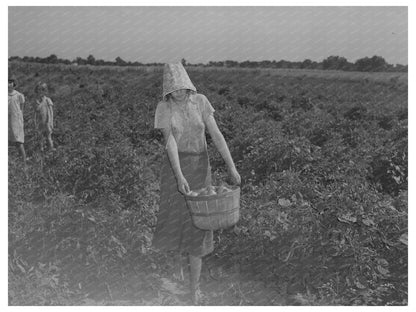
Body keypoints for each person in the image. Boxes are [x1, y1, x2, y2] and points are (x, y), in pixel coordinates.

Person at [152, 63, 241, 304]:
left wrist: (231, 166)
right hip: (175, 169)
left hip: (201, 168)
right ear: (168, 91)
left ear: (188, 86)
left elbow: (217, 135)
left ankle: (194, 287)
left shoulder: (201, 102)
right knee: (176, 218)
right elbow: (170, 142)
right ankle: (176, 263)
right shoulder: (164, 107)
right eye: (174, 90)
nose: (179, 93)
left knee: (199, 225)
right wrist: (179, 176)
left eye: (182, 88)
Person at [8, 74, 27, 166]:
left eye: (10, 82)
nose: (8, 84)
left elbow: (21, 109)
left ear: (14, 83)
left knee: (18, 141)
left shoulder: (19, 95)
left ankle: (24, 164)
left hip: (16, 121)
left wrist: (20, 119)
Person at [33, 82, 55, 151]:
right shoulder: (36, 101)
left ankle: (51, 148)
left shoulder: (48, 100)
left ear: (45, 91)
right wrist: (35, 122)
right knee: (40, 136)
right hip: (40, 121)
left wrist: (51, 121)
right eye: (39, 90)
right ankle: (41, 148)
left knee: (48, 136)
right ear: (36, 91)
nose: (40, 92)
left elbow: (51, 112)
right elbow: (36, 110)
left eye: (42, 90)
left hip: (47, 121)